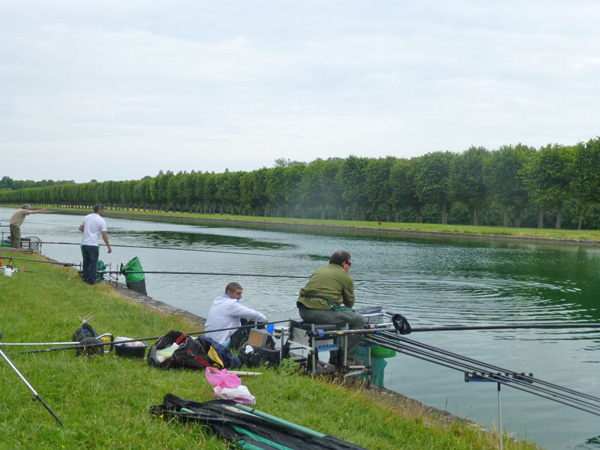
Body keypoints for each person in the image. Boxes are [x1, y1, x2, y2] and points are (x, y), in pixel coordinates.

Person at [297, 250, 365, 364]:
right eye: (350, 264)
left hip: (303, 311)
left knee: (338, 321)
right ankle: (347, 359)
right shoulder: (345, 276)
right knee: (359, 320)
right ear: (344, 264)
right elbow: (349, 303)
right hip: (319, 313)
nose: (349, 267)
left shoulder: (320, 270)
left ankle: (335, 358)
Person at [205, 282, 267, 348]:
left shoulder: (218, 300)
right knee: (256, 322)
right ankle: (267, 348)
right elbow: (253, 314)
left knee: (243, 319)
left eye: (241, 294)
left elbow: (245, 312)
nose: (240, 297)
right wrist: (265, 319)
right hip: (223, 344)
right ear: (229, 292)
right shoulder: (231, 304)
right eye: (238, 294)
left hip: (210, 340)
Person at [78, 204, 112, 285]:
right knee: (93, 263)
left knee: (86, 262)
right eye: (103, 209)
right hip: (93, 244)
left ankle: (85, 279)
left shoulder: (87, 217)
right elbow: (104, 235)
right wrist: (108, 246)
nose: (104, 211)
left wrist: (87, 232)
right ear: (99, 209)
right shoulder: (101, 220)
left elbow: (81, 228)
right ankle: (91, 281)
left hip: (84, 244)